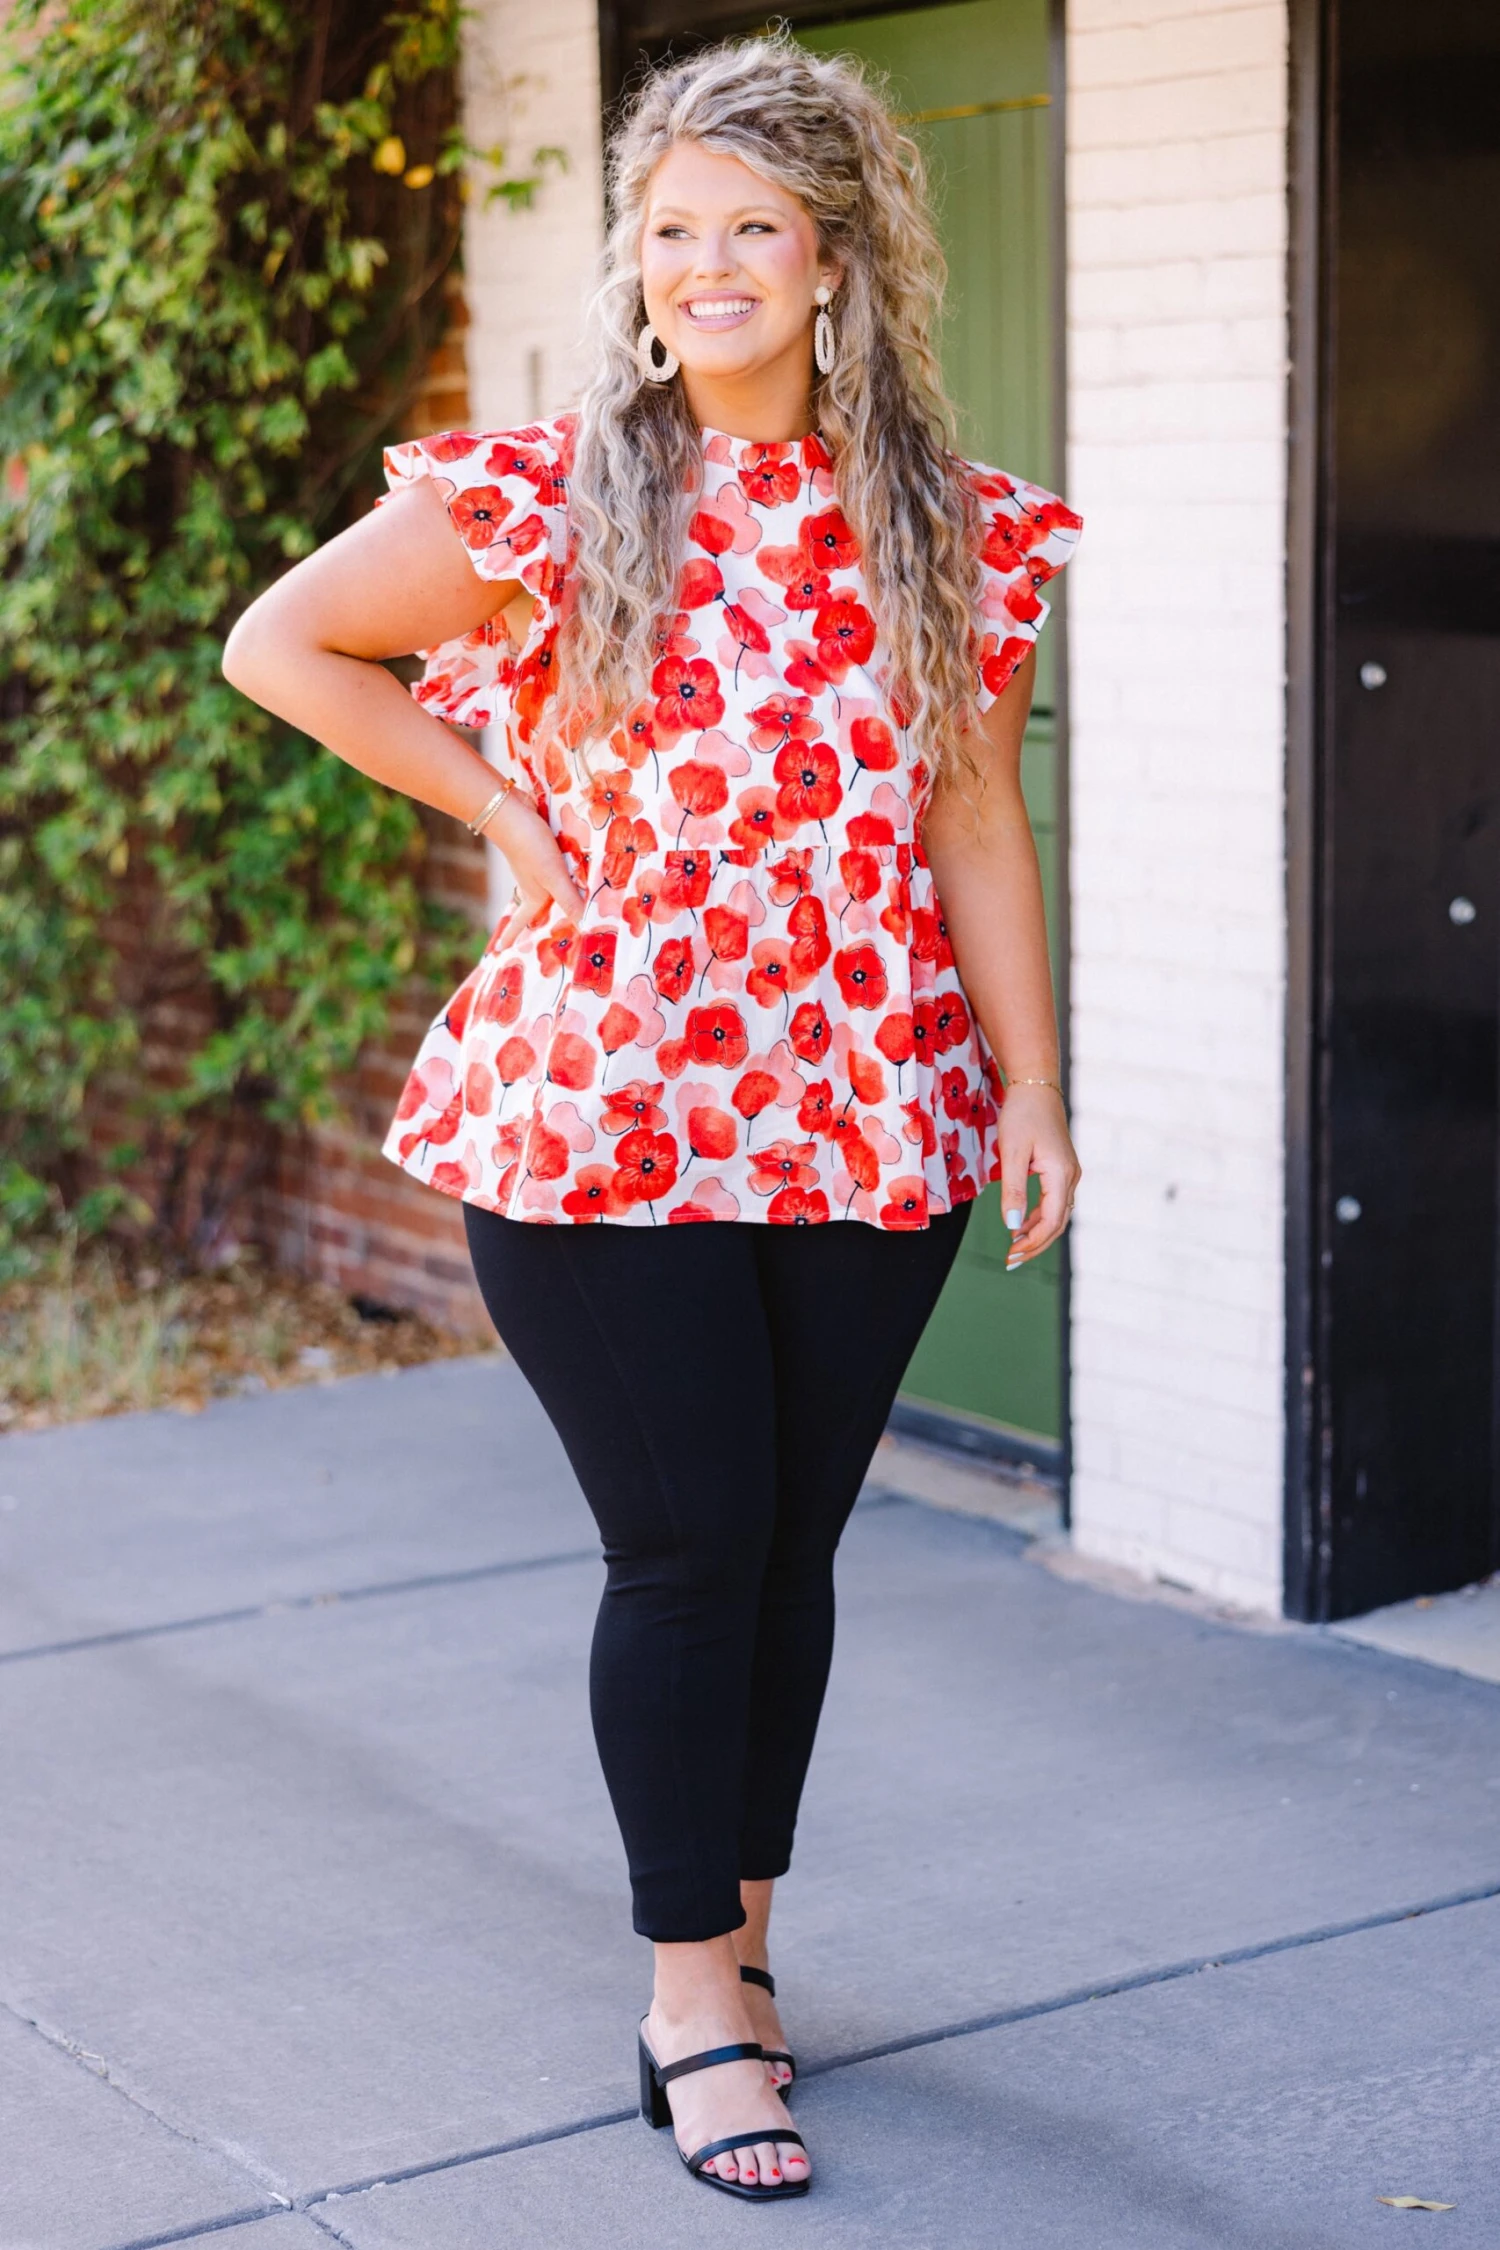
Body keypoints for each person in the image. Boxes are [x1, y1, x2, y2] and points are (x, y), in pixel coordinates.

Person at [223, 30, 1081, 2206]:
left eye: (751, 229)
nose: (706, 265)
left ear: (837, 257)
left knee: (788, 1551)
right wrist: (501, 812)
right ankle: (692, 1996)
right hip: (604, 1113)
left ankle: (747, 1943)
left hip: (872, 1107)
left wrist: (1034, 1087)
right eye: (671, 227)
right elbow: (284, 647)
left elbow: (977, 818)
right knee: (690, 1545)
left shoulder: (952, 527)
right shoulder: (544, 495)